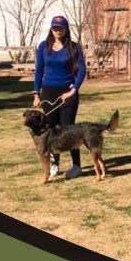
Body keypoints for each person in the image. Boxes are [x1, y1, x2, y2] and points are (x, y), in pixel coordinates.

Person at [32, 15, 87, 179]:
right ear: (51, 28)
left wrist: (74, 89)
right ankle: (54, 164)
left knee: (68, 129)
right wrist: (36, 94)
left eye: (60, 28)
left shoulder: (74, 47)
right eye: (55, 27)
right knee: (51, 130)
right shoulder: (43, 46)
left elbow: (83, 70)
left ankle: (76, 166)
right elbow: (39, 71)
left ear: (66, 29)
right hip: (49, 92)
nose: (57, 30)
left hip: (67, 92)